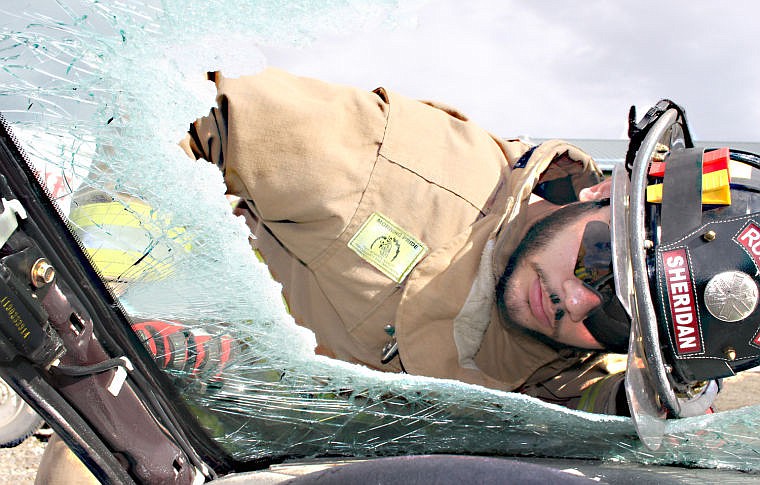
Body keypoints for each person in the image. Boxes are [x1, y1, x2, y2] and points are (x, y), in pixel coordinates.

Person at [180, 68, 629, 415]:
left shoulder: (566, 355)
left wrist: (639, 405)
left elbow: (579, 407)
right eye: (601, 259)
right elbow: (191, 112)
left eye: (620, 317)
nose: (574, 300)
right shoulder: (403, 171)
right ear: (604, 193)